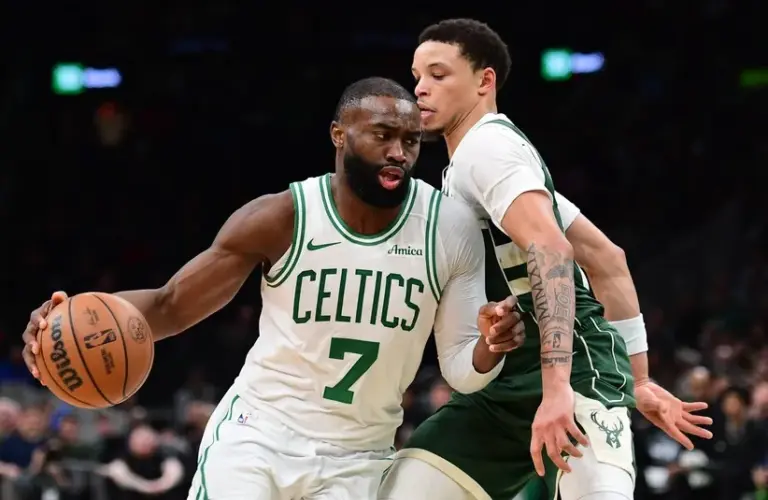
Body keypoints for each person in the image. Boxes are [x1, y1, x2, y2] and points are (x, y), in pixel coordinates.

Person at [20, 76, 526, 500]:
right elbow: (169, 305)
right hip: (258, 434)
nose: (398, 152)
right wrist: (62, 324)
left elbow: (462, 369)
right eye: (382, 135)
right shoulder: (282, 217)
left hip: (359, 456)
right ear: (339, 135)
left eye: (411, 141)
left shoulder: (448, 226)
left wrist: (489, 346)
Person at [378, 19, 713, 500]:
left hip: (573, 374)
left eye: (439, 74)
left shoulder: (487, 149)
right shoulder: (488, 160)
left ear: (484, 81)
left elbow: (553, 249)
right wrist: (638, 381)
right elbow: (606, 258)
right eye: (417, 76)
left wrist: (559, 388)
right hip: (507, 388)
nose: (420, 89)